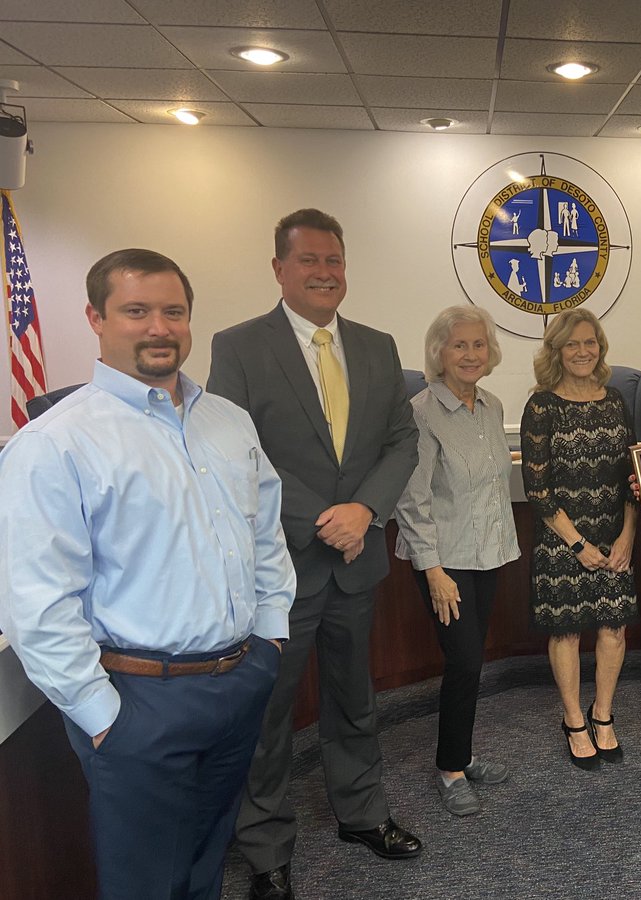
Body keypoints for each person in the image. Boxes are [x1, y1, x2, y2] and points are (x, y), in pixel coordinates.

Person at [0, 249, 295, 900]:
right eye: (136, 311)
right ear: (95, 318)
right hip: (136, 701)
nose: (159, 327)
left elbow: (264, 535)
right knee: (144, 885)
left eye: (173, 311)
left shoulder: (228, 421)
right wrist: (102, 716)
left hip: (238, 682)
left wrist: (268, 641)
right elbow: (35, 603)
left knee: (204, 862)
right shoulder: (56, 443)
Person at [208, 209, 421, 900]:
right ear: (278, 269)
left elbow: (401, 441)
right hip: (281, 567)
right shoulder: (238, 346)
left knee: (353, 698)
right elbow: (235, 449)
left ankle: (361, 813)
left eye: (335, 260)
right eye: (309, 261)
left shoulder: (378, 346)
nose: (325, 272)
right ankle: (266, 846)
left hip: (357, 558)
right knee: (269, 714)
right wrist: (321, 517)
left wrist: (365, 511)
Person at [394, 306, 518, 816]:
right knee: (464, 661)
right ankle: (450, 768)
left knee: (473, 661)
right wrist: (434, 570)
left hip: (487, 553)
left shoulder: (490, 406)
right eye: (458, 345)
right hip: (443, 561)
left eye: (478, 345)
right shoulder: (421, 412)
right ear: (439, 354)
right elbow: (411, 498)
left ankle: (463, 755)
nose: (470, 354)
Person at [520, 308, 639, 769]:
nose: (583, 351)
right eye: (572, 344)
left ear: (600, 347)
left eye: (590, 342)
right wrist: (578, 545)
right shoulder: (541, 406)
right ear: (557, 351)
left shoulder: (614, 402)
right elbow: (539, 489)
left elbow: (633, 477)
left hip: (615, 536)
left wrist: (627, 537)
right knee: (566, 631)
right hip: (561, 538)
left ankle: (603, 714)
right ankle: (573, 719)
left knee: (614, 628)